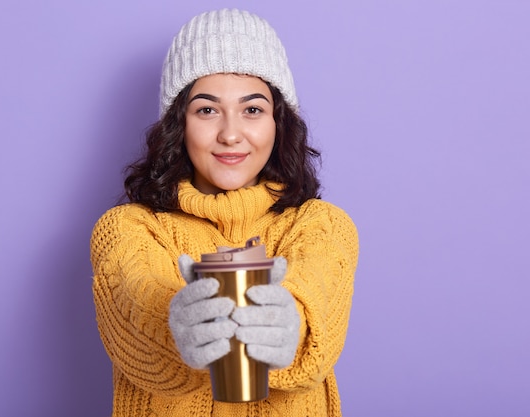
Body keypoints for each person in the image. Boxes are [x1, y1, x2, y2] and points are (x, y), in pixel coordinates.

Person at [90, 8, 359, 417]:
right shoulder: (127, 229)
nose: (231, 133)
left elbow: (315, 315)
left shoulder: (322, 226)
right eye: (207, 109)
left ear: (278, 122)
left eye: (252, 109)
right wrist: (175, 326)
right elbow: (137, 308)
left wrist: (292, 327)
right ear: (178, 123)